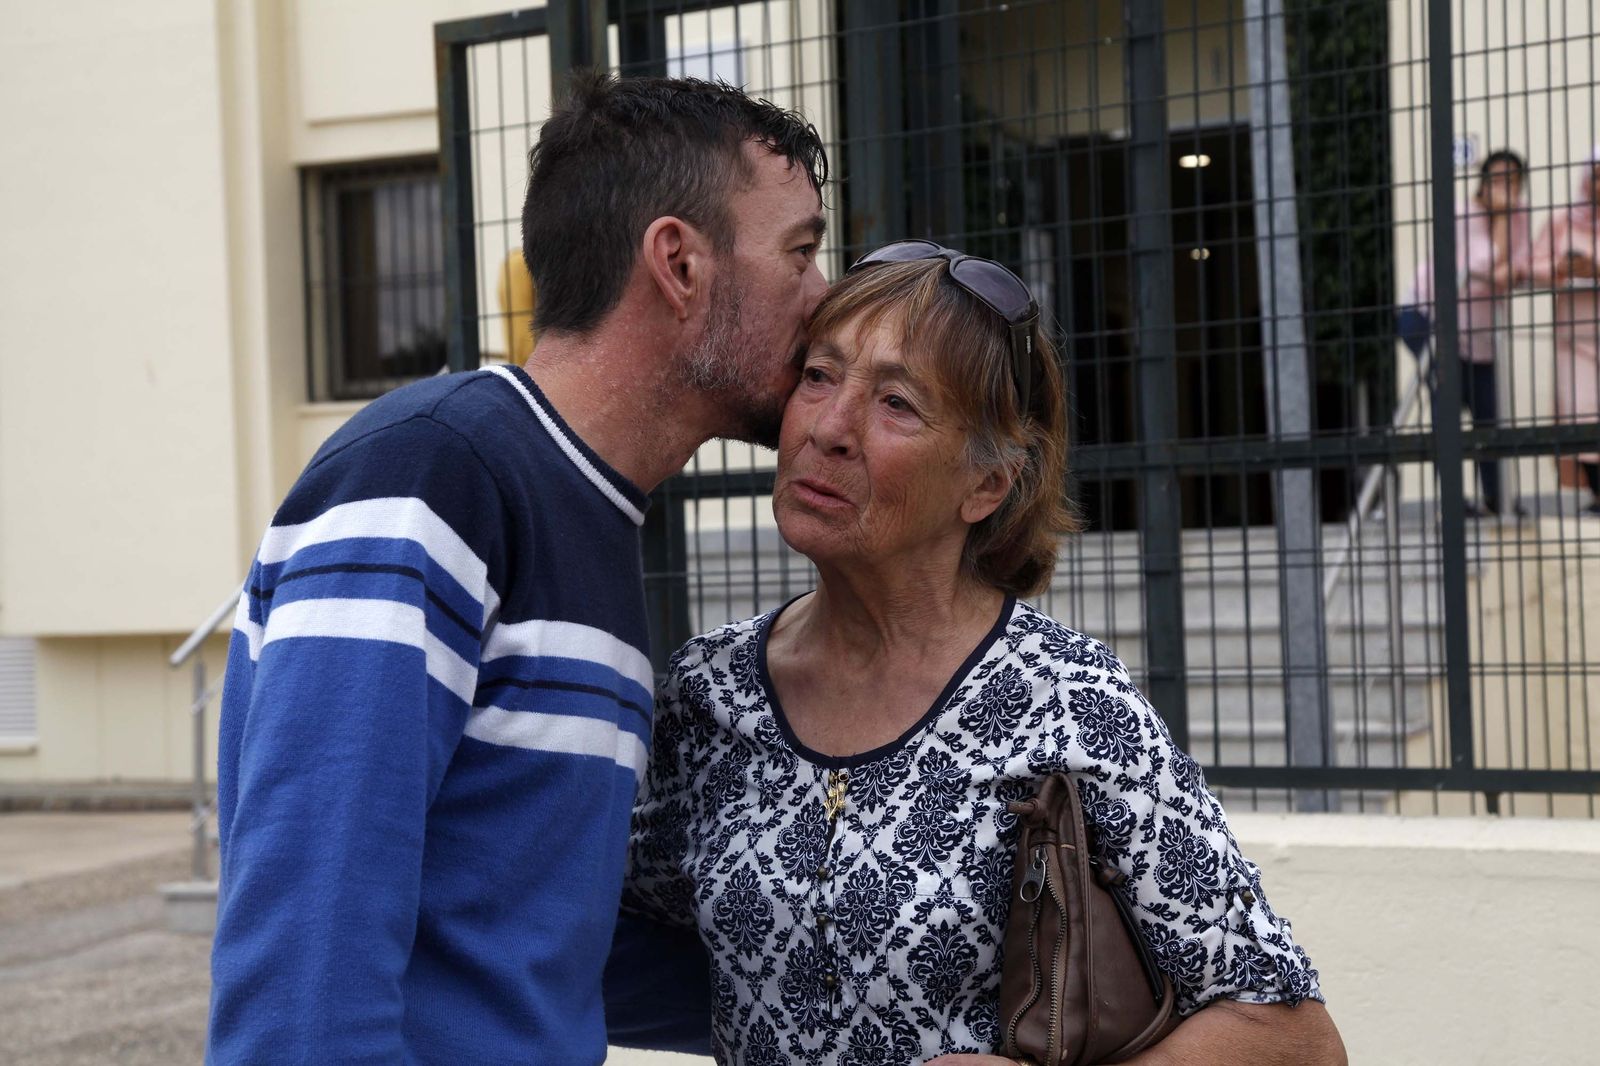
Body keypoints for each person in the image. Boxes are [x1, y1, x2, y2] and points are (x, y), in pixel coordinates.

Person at [206, 73, 827, 1064]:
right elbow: (303, 987)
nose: (824, 296)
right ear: (679, 262)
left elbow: (526, 944)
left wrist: (891, 978)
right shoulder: (429, 476)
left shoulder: (586, 513)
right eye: (800, 251)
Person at [618, 243, 1346, 1064]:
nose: (828, 428)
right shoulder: (709, 696)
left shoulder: (1066, 701)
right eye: (818, 376)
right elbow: (580, 934)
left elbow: (1294, 1038)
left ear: (987, 485)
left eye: (897, 403)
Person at [1404, 149, 1534, 517]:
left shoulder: (1518, 215)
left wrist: (1508, 222)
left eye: (1512, 181)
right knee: (1449, 402)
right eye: (1496, 180)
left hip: (1478, 331)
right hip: (1428, 317)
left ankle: (1497, 497)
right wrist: (1504, 218)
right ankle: (1452, 502)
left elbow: (1515, 267)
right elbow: (1486, 266)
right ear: (1483, 182)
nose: (1505, 189)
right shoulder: (1465, 214)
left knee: (1488, 412)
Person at [1532, 148, 1600, 515]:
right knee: (1582, 410)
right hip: (1575, 335)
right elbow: (1533, 264)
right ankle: (1597, 492)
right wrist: (1563, 266)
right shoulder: (1562, 223)